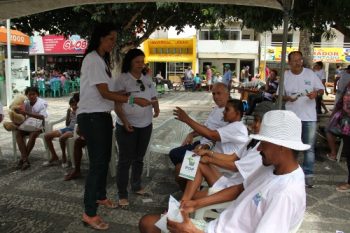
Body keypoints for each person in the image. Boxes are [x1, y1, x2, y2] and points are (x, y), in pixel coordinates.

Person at [139, 110, 310, 233]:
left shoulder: (285, 194)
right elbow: (239, 189)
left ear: (281, 147)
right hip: (216, 226)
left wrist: (191, 231)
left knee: (149, 225)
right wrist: (195, 204)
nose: (259, 149)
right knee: (148, 222)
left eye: (263, 143)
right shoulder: (271, 168)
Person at [77, 23, 152, 230]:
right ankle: (89, 213)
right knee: (98, 165)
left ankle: (100, 196)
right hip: (91, 117)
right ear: (100, 38)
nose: (113, 43)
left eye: (114, 40)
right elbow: (104, 93)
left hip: (100, 115)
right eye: (110, 39)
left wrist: (125, 97)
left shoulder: (102, 60)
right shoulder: (93, 59)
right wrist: (132, 101)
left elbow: (107, 93)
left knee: (104, 160)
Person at [180, 110, 265, 205]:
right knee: (197, 162)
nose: (223, 112)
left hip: (235, 189)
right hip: (230, 181)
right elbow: (233, 157)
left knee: (192, 194)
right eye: (254, 120)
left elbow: (234, 166)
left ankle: (181, 205)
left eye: (227, 109)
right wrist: (208, 152)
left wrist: (210, 158)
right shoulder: (252, 139)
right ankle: (182, 203)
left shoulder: (260, 146)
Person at [114, 48, 160, 209]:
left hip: (146, 124)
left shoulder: (147, 78)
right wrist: (125, 120)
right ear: (130, 62)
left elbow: (153, 96)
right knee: (125, 160)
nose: (141, 64)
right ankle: (122, 193)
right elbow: (118, 103)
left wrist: (157, 108)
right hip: (128, 125)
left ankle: (136, 185)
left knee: (139, 158)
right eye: (137, 62)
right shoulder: (122, 80)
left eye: (142, 61)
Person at [168, 83, 229, 190]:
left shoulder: (229, 113)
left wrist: (187, 119)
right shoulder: (216, 109)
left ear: (227, 94)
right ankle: (191, 181)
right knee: (175, 155)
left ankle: (192, 184)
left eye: (219, 93)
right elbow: (205, 128)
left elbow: (214, 135)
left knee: (179, 169)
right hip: (201, 143)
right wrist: (191, 134)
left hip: (209, 148)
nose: (215, 96)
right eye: (213, 93)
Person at [173, 99, 249, 181]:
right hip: (213, 157)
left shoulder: (238, 127)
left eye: (227, 110)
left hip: (220, 163)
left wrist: (187, 119)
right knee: (181, 168)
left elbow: (212, 135)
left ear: (237, 113)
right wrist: (206, 146)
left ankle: (193, 190)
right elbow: (216, 139)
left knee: (181, 169)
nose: (223, 112)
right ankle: (193, 188)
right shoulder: (231, 124)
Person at [279, 51, 324, 187]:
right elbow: (279, 95)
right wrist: (289, 98)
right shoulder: (285, 76)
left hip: (309, 117)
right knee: (292, 147)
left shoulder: (310, 73)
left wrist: (315, 93)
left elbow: (321, 89)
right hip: (292, 117)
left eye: (300, 60)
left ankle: (308, 176)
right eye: (294, 60)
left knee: (309, 148)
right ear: (289, 62)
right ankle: (292, 173)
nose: (298, 63)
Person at [15, 86, 48, 171]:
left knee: (33, 135)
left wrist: (26, 112)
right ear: (27, 95)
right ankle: (25, 160)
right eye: (29, 95)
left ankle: (23, 159)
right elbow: (22, 115)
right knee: (18, 133)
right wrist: (17, 112)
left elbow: (42, 117)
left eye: (34, 94)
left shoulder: (42, 103)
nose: (32, 96)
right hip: (28, 125)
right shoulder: (26, 103)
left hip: (39, 125)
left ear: (37, 94)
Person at [43, 97, 78, 168]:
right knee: (47, 136)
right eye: (72, 105)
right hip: (67, 128)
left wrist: (76, 114)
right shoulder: (71, 111)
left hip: (74, 131)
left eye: (75, 105)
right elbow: (67, 124)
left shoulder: (81, 112)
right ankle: (54, 156)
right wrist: (68, 114)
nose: (74, 107)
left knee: (62, 138)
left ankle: (64, 156)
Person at [326, 82, 350, 160]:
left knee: (329, 129)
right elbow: (340, 103)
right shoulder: (347, 87)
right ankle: (334, 153)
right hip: (345, 120)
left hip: (346, 122)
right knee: (329, 128)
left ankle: (334, 153)